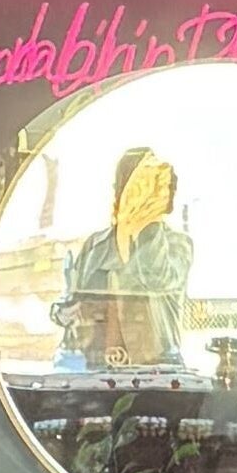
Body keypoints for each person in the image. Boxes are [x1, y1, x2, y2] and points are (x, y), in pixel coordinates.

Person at [57, 148, 193, 371]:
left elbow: (157, 279)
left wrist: (147, 223)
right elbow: (67, 301)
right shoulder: (95, 245)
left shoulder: (176, 245)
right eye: (135, 187)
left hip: (156, 372)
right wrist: (68, 312)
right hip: (96, 371)